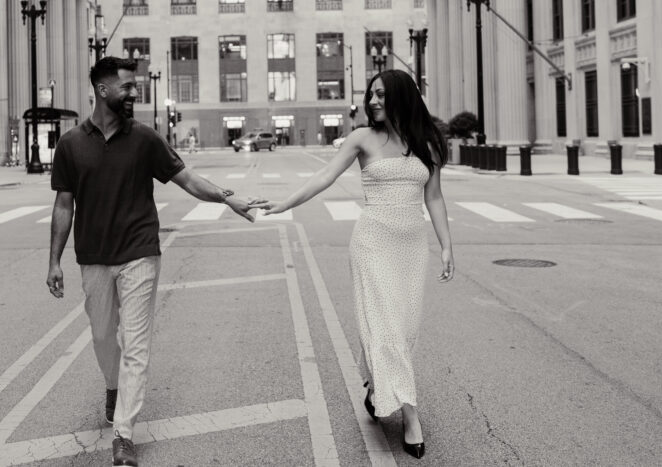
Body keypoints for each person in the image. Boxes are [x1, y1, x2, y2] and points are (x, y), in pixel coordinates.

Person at [46, 56, 259, 467]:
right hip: (93, 256)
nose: (134, 93)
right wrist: (53, 261)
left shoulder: (145, 139)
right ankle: (113, 384)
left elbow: (187, 179)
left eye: (135, 86)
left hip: (140, 251)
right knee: (104, 337)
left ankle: (123, 434)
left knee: (137, 345)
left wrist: (228, 197)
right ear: (103, 89)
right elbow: (63, 205)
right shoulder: (70, 144)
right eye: (127, 86)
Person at [252, 69, 454, 460]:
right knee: (387, 331)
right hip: (373, 243)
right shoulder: (362, 139)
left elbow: (435, 198)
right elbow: (325, 177)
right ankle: (411, 418)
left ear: (402, 97)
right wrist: (282, 204)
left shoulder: (427, 144)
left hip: (411, 248)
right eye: (371, 95)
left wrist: (447, 245)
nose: (374, 101)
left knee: (404, 332)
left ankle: (377, 387)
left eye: (381, 95)